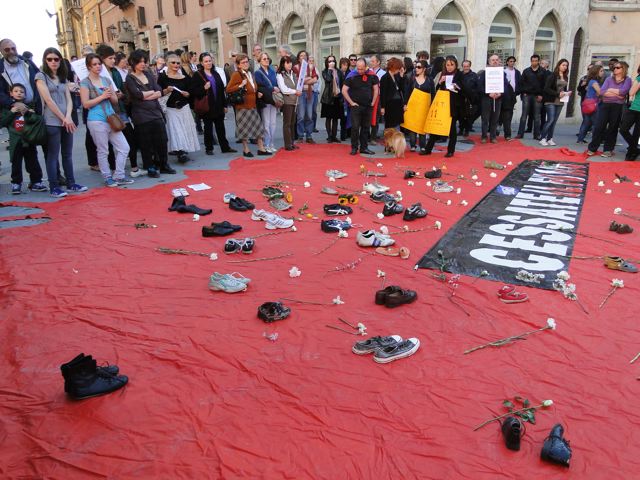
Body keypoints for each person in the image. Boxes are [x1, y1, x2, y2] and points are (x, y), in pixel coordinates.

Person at [35, 47, 88, 197]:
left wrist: (69, 116)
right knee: (53, 155)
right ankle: (54, 187)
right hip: (52, 121)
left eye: (56, 59)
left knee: (67, 154)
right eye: (49, 59)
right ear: (45, 61)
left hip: (66, 120)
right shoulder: (40, 76)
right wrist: (63, 117)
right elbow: (48, 100)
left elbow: (69, 98)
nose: (53, 62)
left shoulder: (62, 76)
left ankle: (71, 183)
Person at [79, 53, 132, 187]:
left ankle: (119, 175)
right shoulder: (85, 82)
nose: (98, 67)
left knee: (124, 147)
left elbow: (114, 101)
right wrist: (102, 96)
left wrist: (111, 94)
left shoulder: (106, 80)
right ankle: (107, 176)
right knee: (103, 150)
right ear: (88, 67)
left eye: (99, 64)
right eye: (94, 64)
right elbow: (85, 104)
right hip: (96, 119)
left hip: (111, 117)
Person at [125, 49, 175, 177]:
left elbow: (158, 91)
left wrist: (145, 95)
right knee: (145, 143)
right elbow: (136, 95)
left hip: (155, 112)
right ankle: (150, 166)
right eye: (140, 62)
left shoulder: (148, 74)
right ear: (133, 62)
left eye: (144, 61)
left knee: (162, 140)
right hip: (141, 116)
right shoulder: (130, 78)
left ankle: (163, 164)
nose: (143, 64)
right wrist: (148, 94)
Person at [97, 44, 142, 177]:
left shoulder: (115, 72)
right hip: (103, 112)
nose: (113, 60)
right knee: (106, 145)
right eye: (110, 58)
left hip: (119, 110)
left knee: (130, 138)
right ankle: (111, 169)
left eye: (114, 58)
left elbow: (121, 89)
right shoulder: (95, 76)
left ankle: (134, 167)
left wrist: (121, 95)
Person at [0, 84, 47, 194]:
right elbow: (2, 122)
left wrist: (28, 113)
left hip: (29, 140)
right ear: (11, 93)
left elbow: (37, 120)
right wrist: (12, 112)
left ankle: (36, 181)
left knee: (33, 162)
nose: (19, 93)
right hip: (16, 142)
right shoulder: (7, 109)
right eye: (16, 91)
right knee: (16, 163)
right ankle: (16, 183)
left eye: (22, 91)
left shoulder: (29, 106)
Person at [158, 53, 200, 163]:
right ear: (167, 63)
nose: (176, 64)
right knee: (176, 130)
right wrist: (166, 90)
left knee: (185, 130)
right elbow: (158, 92)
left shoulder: (184, 78)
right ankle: (180, 153)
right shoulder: (163, 77)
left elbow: (192, 91)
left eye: (178, 63)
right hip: (171, 108)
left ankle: (183, 151)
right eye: (173, 62)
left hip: (184, 107)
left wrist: (188, 94)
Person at [226, 53, 270, 157]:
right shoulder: (236, 74)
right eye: (243, 62)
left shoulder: (250, 73)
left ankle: (261, 149)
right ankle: (246, 150)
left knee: (258, 127)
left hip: (253, 105)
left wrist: (256, 92)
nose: (246, 64)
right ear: (238, 65)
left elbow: (252, 87)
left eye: (247, 62)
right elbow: (228, 89)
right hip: (242, 106)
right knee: (244, 129)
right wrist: (241, 84)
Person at [192, 52, 236, 155]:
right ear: (202, 63)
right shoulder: (198, 75)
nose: (208, 63)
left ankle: (225, 147)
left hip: (218, 105)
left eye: (210, 61)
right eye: (206, 61)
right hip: (207, 106)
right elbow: (194, 91)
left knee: (221, 127)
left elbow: (221, 90)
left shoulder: (215, 73)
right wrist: (204, 88)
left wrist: (225, 105)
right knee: (208, 128)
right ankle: (209, 148)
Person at [422, 55, 466, 158]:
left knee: (452, 129)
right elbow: (437, 90)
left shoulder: (459, 75)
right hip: (441, 105)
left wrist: (453, 85)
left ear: (455, 65)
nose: (449, 67)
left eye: (452, 65)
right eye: (447, 65)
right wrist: (440, 82)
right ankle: (428, 149)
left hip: (453, 105)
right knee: (435, 127)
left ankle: (451, 150)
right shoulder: (442, 74)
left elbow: (462, 89)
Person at [587, 61, 632, 157]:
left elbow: (624, 92)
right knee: (599, 126)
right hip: (605, 104)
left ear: (623, 69)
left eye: (617, 67)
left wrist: (610, 90)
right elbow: (602, 92)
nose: (615, 69)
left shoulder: (627, 80)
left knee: (613, 128)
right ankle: (592, 148)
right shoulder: (608, 79)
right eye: (614, 67)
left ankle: (608, 150)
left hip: (617, 106)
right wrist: (617, 94)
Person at [342, 58, 379, 155]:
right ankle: (354, 147)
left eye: (362, 69)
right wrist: (351, 102)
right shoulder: (351, 76)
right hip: (356, 106)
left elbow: (376, 90)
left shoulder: (372, 75)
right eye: (358, 68)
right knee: (355, 127)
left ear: (366, 66)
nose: (359, 71)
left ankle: (364, 147)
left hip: (368, 106)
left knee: (366, 128)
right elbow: (344, 90)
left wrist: (373, 102)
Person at [539, 59, 571, 147]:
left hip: (560, 101)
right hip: (550, 100)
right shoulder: (552, 75)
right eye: (563, 65)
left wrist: (567, 92)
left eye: (566, 65)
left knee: (554, 121)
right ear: (559, 65)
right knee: (550, 120)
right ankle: (542, 138)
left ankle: (550, 138)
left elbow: (563, 89)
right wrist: (557, 94)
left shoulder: (565, 77)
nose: (565, 67)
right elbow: (546, 88)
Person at [404, 60, 434, 152]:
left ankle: (422, 146)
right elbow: (407, 93)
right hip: (412, 106)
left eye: (419, 67)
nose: (416, 69)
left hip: (424, 107)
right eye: (416, 67)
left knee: (422, 126)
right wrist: (405, 104)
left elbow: (433, 93)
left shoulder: (429, 80)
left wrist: (432, 106)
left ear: (424, 69)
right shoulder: (412, 79)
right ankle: (412, 145)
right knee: (412, 126)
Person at [478, 54, 508, 143]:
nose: (495, 61)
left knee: (495, 119)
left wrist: (500, 93)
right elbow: (480, 86)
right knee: (485, 118)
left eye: (496, 60)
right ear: (489, 62)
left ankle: (493, 137)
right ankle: (484, 136)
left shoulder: (502, 73)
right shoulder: (484, 73)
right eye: (492, 60)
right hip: (487, 98)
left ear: (499, 61)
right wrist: (488, 93)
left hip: (498, 98)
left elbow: (505, 85)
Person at [516, 54, 546, 140]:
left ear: (539, 61)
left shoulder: (543, 71)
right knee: (524, 115)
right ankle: (520, 134)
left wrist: (541, 95)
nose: (534, 62)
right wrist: (523, 92)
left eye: (536, 61)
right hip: (527, 95)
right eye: (533, 61)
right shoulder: (526, 71)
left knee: (537, 116)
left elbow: (545, 85)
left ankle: (536, 135)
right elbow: (521, 83)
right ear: (531, 61)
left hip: (538, 96)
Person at [255, 52, 279, 153]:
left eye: (268, 58)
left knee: (273, 123)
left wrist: (275, 88)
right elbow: (260, 86)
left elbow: (276, 83)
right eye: (264, 59)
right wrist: (272, 88)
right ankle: (266, 143)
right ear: (259, 61)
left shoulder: (273, 71)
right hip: (265, 100)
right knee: (266, 123)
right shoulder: (257, 73)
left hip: (273, 99)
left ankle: (271, 143)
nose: (267, 60)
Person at [293, 50, 318, 143]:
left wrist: (304, 80)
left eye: (305, 55)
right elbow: (296, 81)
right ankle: (300, 136)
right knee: (301, 116)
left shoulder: (311, 67)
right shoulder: (295, 68)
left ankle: (309, 136)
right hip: (300, 93)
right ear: (298, 58)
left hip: (309, 93)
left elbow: (315, 79)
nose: (303, 57)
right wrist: (308, 79)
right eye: (301, 56)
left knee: (310, 115)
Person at [276, 56, 301, 151]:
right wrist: (295, 91)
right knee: (287, 123)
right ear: (283, 64)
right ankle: (288, 144)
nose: (290, 64)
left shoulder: (293, 73)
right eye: (287, 63)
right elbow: (283, 89)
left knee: (292, 123)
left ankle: (292, 143)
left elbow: (297, 85)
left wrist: (298, 90)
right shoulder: (280, 75)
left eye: (290, 62)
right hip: (287, 102)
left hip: (294, 101)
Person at [577, 65, 604, 144]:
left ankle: (580, 139)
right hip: (593, 104)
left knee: (586, 122)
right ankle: (595, 140)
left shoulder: (590, 81)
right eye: (601, 71)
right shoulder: (594, 82)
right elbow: (600, 92)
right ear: (596, 72)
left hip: (587, 103)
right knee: (596, 123)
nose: (603, 72)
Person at [320, 54, 344, 143]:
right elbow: (328, 79)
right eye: (329, 61)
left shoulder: (339, 71)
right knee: (328, 117)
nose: (332, 63)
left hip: (337, 97)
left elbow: (342, 83)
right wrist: (330, 70)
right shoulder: (325, 71)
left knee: (335, 118)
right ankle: (329, 136)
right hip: (328, 98)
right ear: (327, 63)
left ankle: (334, 136)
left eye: (333, 61)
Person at [619, 65, 640, 160]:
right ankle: (634, 149)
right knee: (625, 129)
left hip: (636, 107)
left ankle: (631, 153)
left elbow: (631, 92)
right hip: (635, 107)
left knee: (631, 131)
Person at [379, 57, 405, 129]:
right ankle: (390, 139)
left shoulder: (396, 76)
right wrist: (383, 107)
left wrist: (402, 75)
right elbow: (383, 93)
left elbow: (402, 88)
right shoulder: (385, 77)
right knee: (390, 126)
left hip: (398, 104)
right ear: (393, 67)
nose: (399, 69)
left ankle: (396, 139)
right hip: (389, 105)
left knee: (397, 125)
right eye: (398, 68)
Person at [500, 56, 520, 141]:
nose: (512, 63)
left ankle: (507, 135)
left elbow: (519, 82)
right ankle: (495, 132)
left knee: (507, 117)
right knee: (498, 117)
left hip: (509, 98)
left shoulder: (517, 73)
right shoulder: (503, 72)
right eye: (510, 61)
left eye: (513, 61)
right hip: (498, 98)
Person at [369, 54, 386, 142]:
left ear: (378, 62)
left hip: (378, 98)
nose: (371, 63)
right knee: (367, 117)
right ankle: (367, 135)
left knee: (376, 117)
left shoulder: (383, 74)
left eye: (373, 61)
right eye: (370, 61)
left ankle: (373, 136)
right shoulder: (368, 71)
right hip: (368, 97)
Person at [460, 60, 479, 136]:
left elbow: (477, 86)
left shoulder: (474, 75)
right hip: (461, 98)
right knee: (461, 115)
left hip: (471, 99)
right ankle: (461, 130)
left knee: (469, 116)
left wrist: (474, 94)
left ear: (470, 66)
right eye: (464, 66)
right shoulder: (459, 74)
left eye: (467, 66)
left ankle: (467, 130)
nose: (466, 68)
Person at [338, 57, 350, 141]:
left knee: (347, 117)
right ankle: (342, 135)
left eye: (346, 65)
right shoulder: (338, 72)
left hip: (348, 97)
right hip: (340, 97)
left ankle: (347, 134)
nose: (345, 66)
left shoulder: (350, 73)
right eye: (343, 65)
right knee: (342, 117)